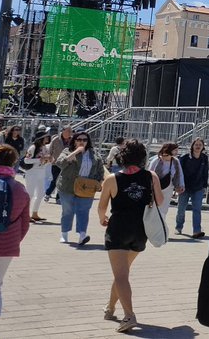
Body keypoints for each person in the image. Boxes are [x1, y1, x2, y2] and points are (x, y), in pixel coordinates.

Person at [97, 139, 163, 333]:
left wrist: (102, 219)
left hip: (118, 229)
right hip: (140, 230)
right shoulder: (151, 176)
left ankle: (129, 316)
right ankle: (110, 309)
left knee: (121, 275)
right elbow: (159, 200)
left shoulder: (112, 179)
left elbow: (102, 207)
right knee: (122, 274)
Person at [0, 144, 29, 339]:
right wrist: (12, 240)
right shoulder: (21, 189)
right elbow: (24, 224)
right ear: (14, 162)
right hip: (6, 247)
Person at [55, 130, 105, 246]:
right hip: (68, 186)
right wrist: (75, 153)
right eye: (79, 140)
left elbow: (100, 169)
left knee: (83, 211)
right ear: (74, 141)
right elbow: (59, 163)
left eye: (85, 140)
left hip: (86, 187)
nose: (82, 142)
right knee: (68, 211)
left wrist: (98, 182)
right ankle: (64, 233)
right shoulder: (68, 151)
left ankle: (82, 235)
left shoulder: (94, 153)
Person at [176, 138, 209, 238]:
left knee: (197, 209)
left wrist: (205, 186)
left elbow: (205, 172)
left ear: (203, 147)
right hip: (184, 187)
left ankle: (197, 230)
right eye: (196, 144)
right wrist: (178, 185)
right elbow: (179, 172)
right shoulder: (185, 157)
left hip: (198, 187)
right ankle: (179, 226)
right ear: (192, 146)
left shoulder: (204, 158)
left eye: (200, 144)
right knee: (181, 209)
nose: (198, 146)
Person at [20, 130, 51, 223]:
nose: (47, 138)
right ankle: (25, 214)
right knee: (30, 194)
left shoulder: (45, 147)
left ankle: (35, 213)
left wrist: (49, 160)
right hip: (32, 173)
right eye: (45, 137)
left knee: (41, 193)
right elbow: (26, 160)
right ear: (41, 138)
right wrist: (39, 160)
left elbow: (45, 160)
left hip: (41, 172)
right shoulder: (33, 147)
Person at [147, 142, 184, 221]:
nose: (177, 152)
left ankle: (161, 222)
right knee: (154, 206)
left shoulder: (175, 161)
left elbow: (180, 174)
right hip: (155, 187)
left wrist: (181, 185)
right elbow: (149, 173)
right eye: (175, 150)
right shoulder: (156, 160)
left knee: (164, 208)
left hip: (168, 187)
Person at [45, 126, 73, 201]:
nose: (70, 133)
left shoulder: (72, 140)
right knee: (55, 179)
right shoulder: (56, 139)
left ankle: (58, 197)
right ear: (63, 131)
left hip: (67, 163)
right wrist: (50, 158)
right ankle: (48, 193)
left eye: (71, 131)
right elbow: (50, 151)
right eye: (69, 131)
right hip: (56, 163)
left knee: (63, 180)